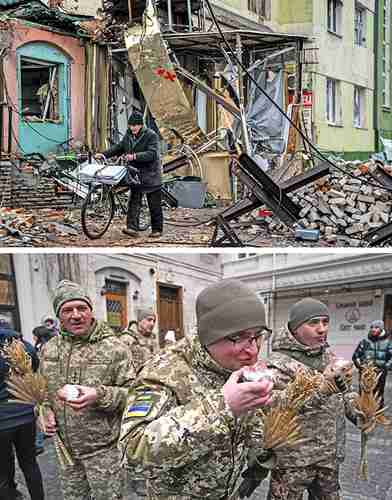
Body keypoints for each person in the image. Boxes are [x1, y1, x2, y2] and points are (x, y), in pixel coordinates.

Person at [119, 279, 275, 499]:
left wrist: (263, 440)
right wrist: (222, 407)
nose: (251, 349)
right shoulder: (165, 371)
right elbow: (132, 450)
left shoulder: (236, 366)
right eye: (238, 337)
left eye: (257, 335)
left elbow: (250, 428)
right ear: (210, 335)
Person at [39, 280, 136, 500]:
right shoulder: (49, 349)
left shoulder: (115, 349)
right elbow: (42, 392)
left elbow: (135, 395)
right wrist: (43, 411)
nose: (76, 315)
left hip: (103, 452)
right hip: (67, 453)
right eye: (67, 310)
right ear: (58, 316)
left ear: (91, 311)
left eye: (81, 308)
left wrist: (99, 396)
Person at [262, 298, 359, 500]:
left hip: (328, 457)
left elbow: (344, 393)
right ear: (295, 328)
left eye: (325, 322)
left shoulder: (329, 357)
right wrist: (320, 391)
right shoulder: (277, 365)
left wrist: (359, 411)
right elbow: (275, 408)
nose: (322, 329)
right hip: (293, 461)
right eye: (313, 323)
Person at [98, 110, 163, 238]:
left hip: (150, 173)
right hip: (135, 173)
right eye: (131, 125)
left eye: (135, 126)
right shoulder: (128, 135)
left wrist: (135, 156)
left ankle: (157, 229)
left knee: (154, 203)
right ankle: (132, 228)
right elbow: (119, 147)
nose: (133, 128)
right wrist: (103, 154)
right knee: (134, 200)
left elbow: (152, 154)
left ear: (141, 125)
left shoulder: (151, 135)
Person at [0, 319, 44, 500]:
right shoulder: (25, 346)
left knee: (3, 470)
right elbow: (33, 371)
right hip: (25, 414)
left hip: (2, 421)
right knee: (30, 463)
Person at [352, 320, 392, 407]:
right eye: (372, 327)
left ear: (381, 329)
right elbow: (355, 356)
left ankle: (378, 415)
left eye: (376, 327)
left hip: (380, 374)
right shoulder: (364, 342)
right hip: (365, 375)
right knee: (363, 394)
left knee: (378, 395)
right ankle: (363, 414)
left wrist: (385, 367)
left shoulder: (387, 343)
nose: (373, 329)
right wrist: (360, 367)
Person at [121, 308, 157, 372]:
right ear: (140, 321)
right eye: (149, 320)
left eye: (154, 321)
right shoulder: (127, 338)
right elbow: (122, 365)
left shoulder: (153, 339)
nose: (152, 324)